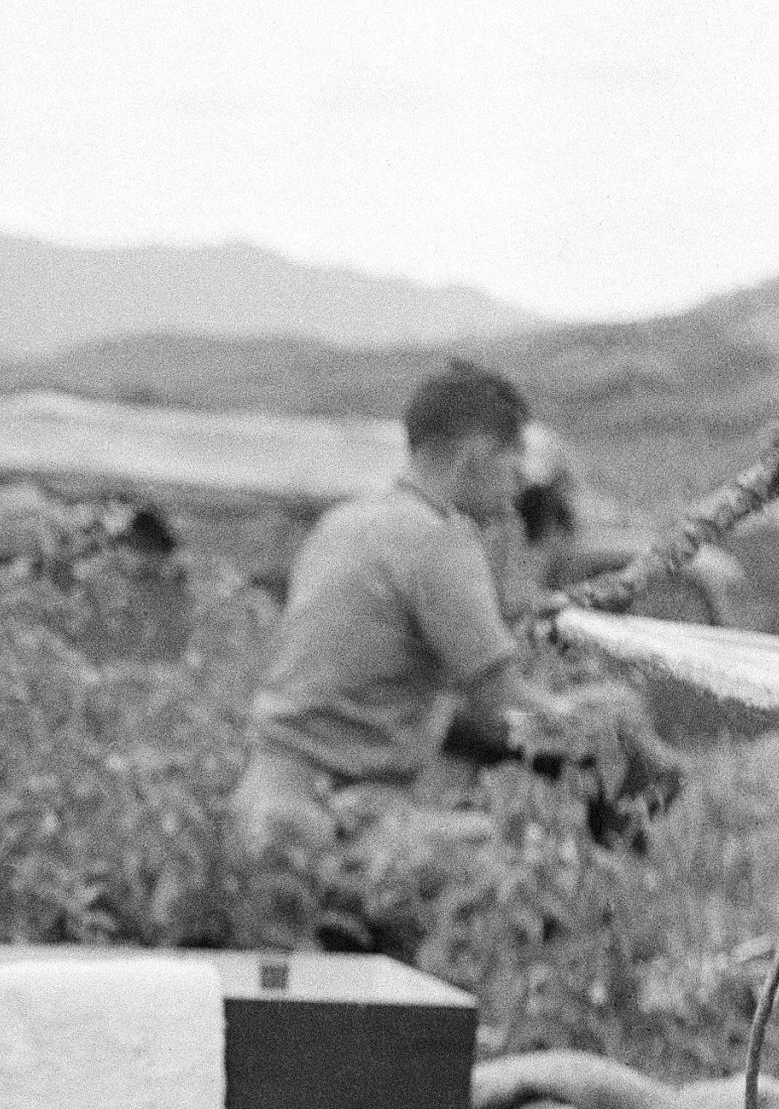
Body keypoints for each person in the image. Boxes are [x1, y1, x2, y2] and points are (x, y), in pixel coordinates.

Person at [231, 360, 589, 883]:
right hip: (335, 815)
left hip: (263, 792)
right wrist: (582, 715)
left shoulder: (345, 522)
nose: (517, 485)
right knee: (524, 871)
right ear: (478, 456)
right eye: (514, 462)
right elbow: (501, 698)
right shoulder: (439, 539)